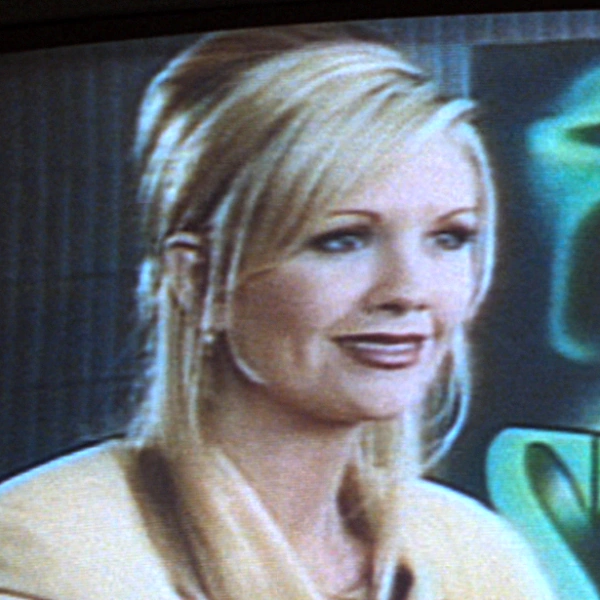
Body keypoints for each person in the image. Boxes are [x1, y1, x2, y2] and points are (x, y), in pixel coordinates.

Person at [0, 25, 555, 600]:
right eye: (342, 240)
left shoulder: (478, 553)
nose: (409, 291)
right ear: (200, 281)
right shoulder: (47, 554)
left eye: (449, 238)